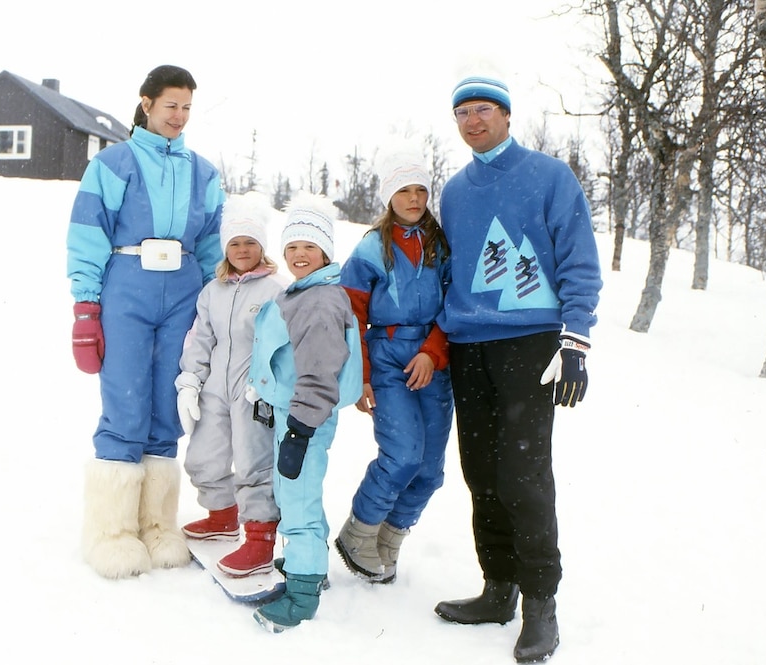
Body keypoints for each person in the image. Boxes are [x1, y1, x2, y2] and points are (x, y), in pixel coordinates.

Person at [432, 76, 603, 663]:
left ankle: (540, 605)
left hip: (529, 342)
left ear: (506, 115)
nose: (473, 121)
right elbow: (449, 270)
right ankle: (497, 588)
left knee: (523, 476)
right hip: (469, 345)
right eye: (462, 113)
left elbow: (580, 259)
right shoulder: (454, 191)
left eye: (483, 110)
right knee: (480, 472)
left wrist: (575, 341)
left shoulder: (550, 177)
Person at [66, 64, 225, 579]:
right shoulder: (113, 163)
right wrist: (87, 309)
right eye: (170, 104)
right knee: (124, 402)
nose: (178, 116)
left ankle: (157, 526)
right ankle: (111, 531)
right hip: (127, 286)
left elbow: (210, 247)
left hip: (183, 294)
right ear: (147, 103)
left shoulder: (203, 173)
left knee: (169, 404)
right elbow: (88, 232)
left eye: (186, 107)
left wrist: (214, 308)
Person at [335, 148, 453, 584]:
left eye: (421, 189)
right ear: (389, 196)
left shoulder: (441, 245)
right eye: (404, 190)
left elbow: (455, 303)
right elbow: (351, 312)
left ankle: (389, 538)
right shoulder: (372, 247)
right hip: (386, 357)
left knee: (431, 470)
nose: (414, 198)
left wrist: (434, 352)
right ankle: (358, 531)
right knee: (402, 455)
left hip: (432, 361)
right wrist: (361, 375)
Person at [246, 193, 362, 632]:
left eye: (309, 247)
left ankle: (301, 596)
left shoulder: (318, 302)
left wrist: (298, 432)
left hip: (304, 419)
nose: (298, 255)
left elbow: (318, 375)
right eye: (292, 246)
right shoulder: (308, 291)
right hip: (296, 415)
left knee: (298, 503)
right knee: (300, 494)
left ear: (326, 252)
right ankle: (307, 565)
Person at [176, 192, 287, 577]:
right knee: (203, 456)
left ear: (262, 247)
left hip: (253, 391)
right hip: (214, 390)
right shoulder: (213, 291)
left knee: (254, 460)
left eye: (250, 242)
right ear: (226, 247)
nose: (242, 249)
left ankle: (259, 538)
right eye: (235, 243)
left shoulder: (276, 290)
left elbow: (283, 345)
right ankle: (222, 514)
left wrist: (270, 385)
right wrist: (191, 380)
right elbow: (200, 338)